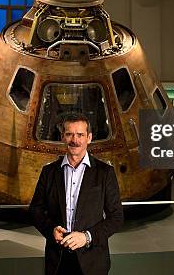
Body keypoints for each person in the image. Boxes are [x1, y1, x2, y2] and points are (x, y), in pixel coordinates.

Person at [29, 112, 123, 275]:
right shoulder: (49, 172)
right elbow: (35, 210)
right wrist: (51, 229)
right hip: (58, 260)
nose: (75, 140)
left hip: (92, 261)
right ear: (63, 137)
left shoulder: (105, 173)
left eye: (80, 134)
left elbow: (116, 217)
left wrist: (87, 237)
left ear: (89, 137)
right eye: (69, 134)